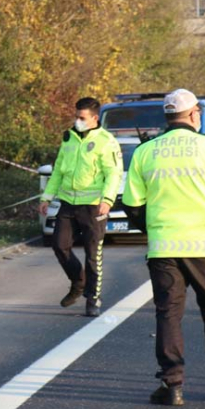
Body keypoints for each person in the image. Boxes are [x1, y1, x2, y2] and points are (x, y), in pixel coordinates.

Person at [122, 89, 205, 406]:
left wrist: (152, 227)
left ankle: (172, 384)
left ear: (167, 117)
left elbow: (133, 205)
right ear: (194, 115)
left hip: (164, 246)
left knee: (168, 315)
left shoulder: (145, 152)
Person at [38, 97, 122, 317]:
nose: (77, 121)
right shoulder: (69, 138)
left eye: (81, 118)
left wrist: (108, 199)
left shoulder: (106, 141)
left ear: (95, 118)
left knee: (93, 254)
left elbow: (113, 174)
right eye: (76, 116)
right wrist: (46, 197)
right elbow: (58, 171)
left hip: (93, 206)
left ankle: (92, 298)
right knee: (59, 245)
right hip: (68, 203)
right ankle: (78, 282)